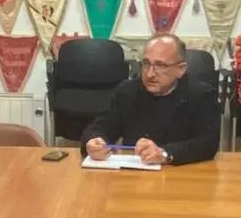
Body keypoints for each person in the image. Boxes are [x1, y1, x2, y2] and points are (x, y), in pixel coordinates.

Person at [81, 34, 220, 166]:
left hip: (181, 173)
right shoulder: (127, 91)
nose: (150, 74)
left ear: (181, 69)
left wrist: (165, 154)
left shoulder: (201, 94)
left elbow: (208, 143)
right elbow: (99, 128)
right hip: (134, 174)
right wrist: (93, 142)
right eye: (146, 64)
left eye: (160, 65)